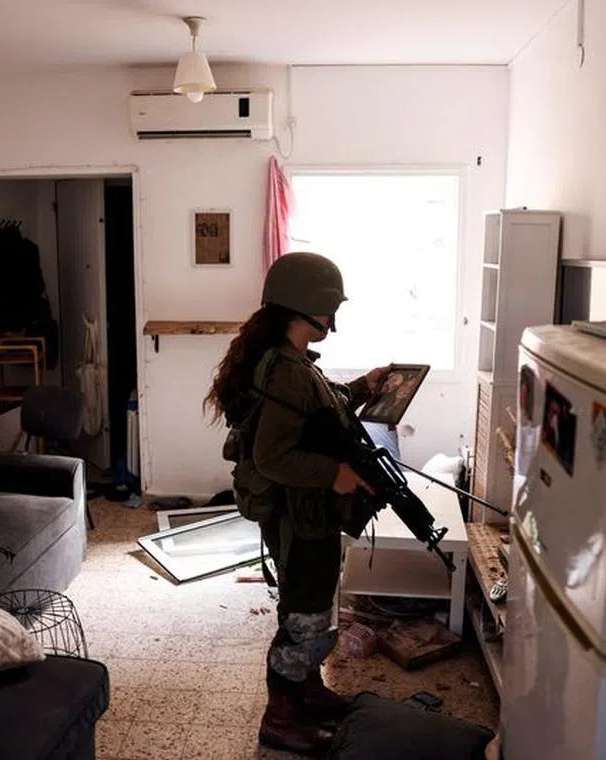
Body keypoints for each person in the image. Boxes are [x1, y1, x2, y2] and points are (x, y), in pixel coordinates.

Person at [203, 252, 389, 756]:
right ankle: (280, 719)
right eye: (328, 309)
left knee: (309, 606)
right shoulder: (285, 369)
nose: (332, 320)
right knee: (303, 616)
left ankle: (306, 691)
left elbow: (315, 415)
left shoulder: (291, 362)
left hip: (306, 513)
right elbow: (273, 456)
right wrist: (336, 474)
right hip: (297, 515)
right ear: (306, 307)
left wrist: (361, 388)